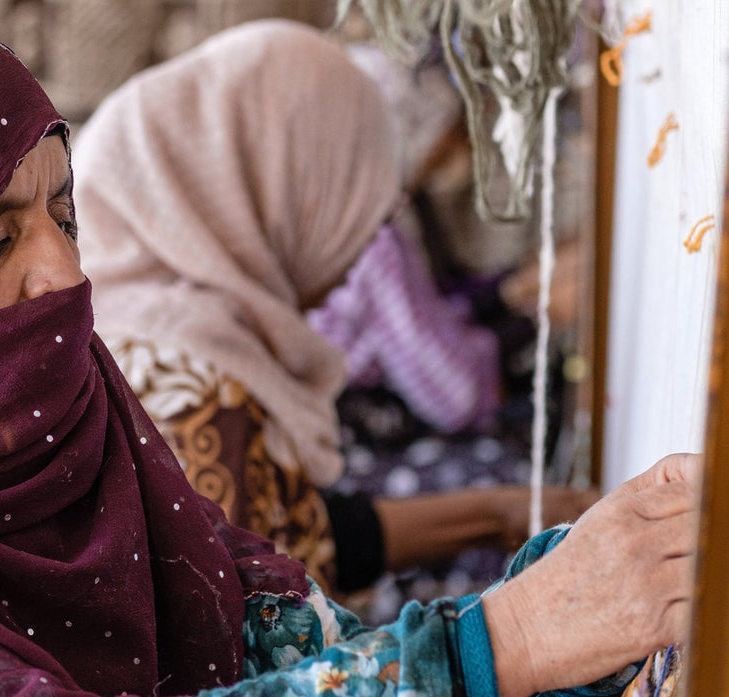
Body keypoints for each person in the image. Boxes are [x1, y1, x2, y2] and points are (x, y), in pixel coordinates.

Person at [0, 11, 696, 697]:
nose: (64, 275)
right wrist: (508, 640)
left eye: (62, 214)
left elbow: (284, 652)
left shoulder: (77, 439)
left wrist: (594, 595)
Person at [73, 19, 595, 597]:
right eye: (347, 209)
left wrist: (502, 515)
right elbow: (270, 653)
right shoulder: (194, 394)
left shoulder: (143, 335)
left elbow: (306, 534)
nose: (356, 257)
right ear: (278, 187)